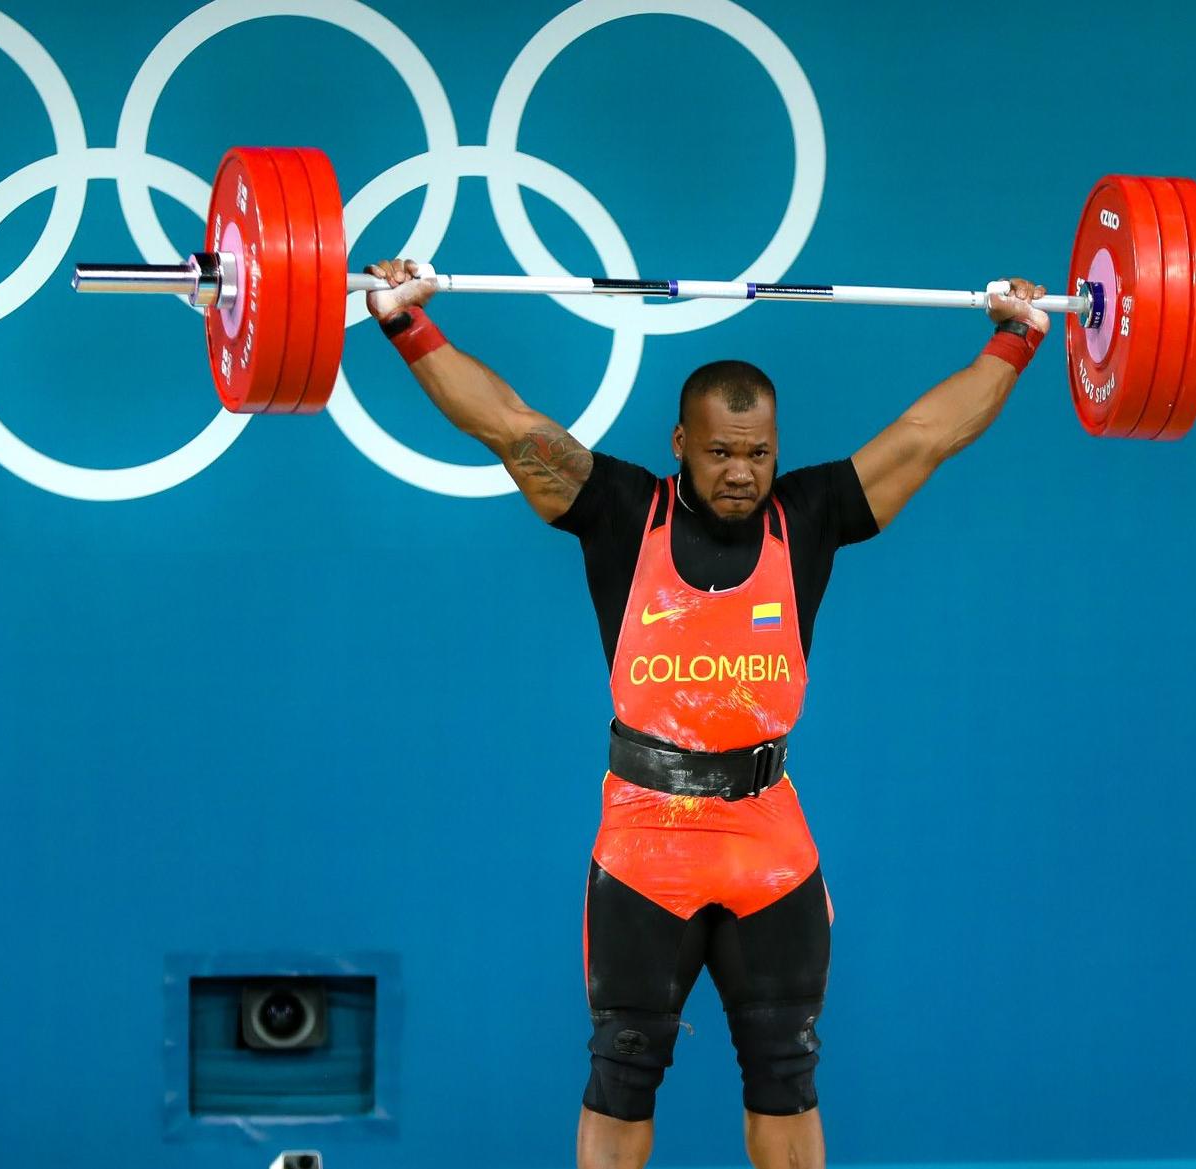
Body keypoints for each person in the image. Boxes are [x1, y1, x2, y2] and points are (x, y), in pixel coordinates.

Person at [363, 259, 1051, 1169]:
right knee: (624, 1067)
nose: (741, 471)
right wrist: (406, 323)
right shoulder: (618, 510)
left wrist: (1020, 334)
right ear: (680, 441)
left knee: (785, 1069)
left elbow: (927, 435)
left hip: (768, 836)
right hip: (648, 836)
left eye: (758, 453)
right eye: (721, 451)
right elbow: (508, 423)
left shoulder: (808, 517)